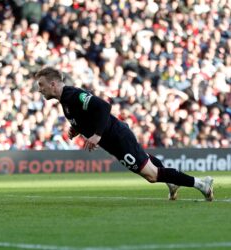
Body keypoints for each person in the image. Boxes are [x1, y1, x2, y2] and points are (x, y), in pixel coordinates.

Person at [35, 67, 214, 201]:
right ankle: (172, 182)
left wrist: (97, 134)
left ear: (53, 84)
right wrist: (77, 128)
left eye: (41, 85)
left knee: (152, 175)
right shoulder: (66, 101)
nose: (39, 89)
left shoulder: (72, 95)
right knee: (147, 162)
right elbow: (88, 115)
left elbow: (104, 106)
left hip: (117, 137)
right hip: (114, 141)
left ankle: (200, 184)